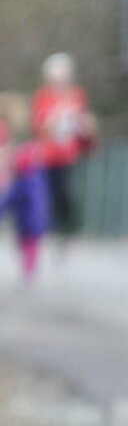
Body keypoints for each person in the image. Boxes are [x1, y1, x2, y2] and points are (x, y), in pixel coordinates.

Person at [31, 52, 97, 241]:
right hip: (49, 155)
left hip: (71, 154)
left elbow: (85, 124)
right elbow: (39, 126)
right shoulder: (43, 97)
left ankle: (68, 230)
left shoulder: (77, 95)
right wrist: (55, 120)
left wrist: (87, 127)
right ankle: (51, 229)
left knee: (67, 193)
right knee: (49, 193)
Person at [0, 92, 51, 283]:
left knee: (29, 227)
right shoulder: (5, 131)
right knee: (26, 228)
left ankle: (29, 267)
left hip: (26, 183)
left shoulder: (32, 135)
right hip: (12, 183)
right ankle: (28, 267)